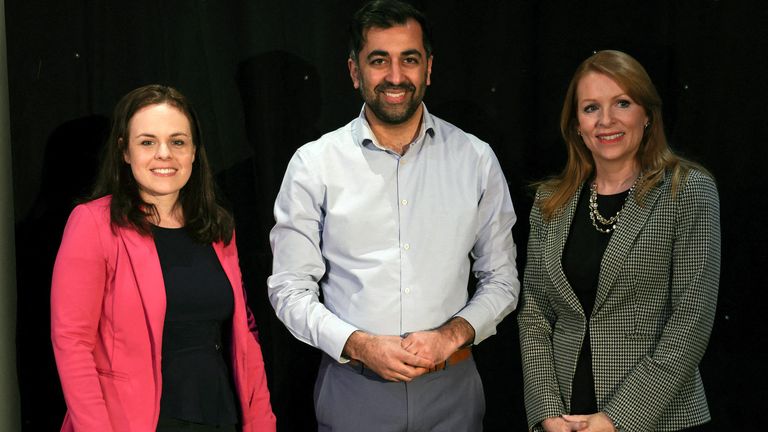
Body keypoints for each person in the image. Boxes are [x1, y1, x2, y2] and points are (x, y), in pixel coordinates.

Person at [267, 1, 520, 430]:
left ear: (428, 68)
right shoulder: (314, 164)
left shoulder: (475, 159)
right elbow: (289, 289)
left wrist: (450, 335)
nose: (396, 76)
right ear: (354, 71)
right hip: (352, 390)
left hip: (453, 393)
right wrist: (360, 345)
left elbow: (503, 279)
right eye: (379, 60)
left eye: (410, 59)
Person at [51, 85, 276, 432]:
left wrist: (262, 422)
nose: (164, 154)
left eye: (178, 141)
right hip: (134, 422)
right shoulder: (93, 224)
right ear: (125, 151)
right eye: (147, 142)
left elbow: (245, 335)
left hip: (220, 415)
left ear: (194, 152)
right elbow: (72, 344)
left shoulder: (217, 226)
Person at [518, 50, 720, 432]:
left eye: (622, 103)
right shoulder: (550, 200)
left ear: (647, 114)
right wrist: (547, 413)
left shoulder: (687, 190)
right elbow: (534, 313)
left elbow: (692, 320)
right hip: (566, 419)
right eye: (591, 107)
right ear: (576, 123)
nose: (606, 121)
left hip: (658, 418)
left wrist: (616, 420)